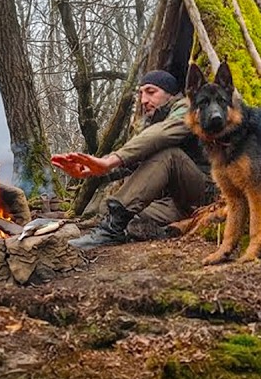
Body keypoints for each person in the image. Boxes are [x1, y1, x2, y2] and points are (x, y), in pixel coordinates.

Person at [51, 69, 212, 249]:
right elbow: (133, 161)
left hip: (205, 192)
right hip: (177, 204)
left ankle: (111, 233)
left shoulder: (187, 107)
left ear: (170, 94)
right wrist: (95, 170)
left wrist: (111, 160)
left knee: (168, 156)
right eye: (141, 93)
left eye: (151, 92)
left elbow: (161, 134)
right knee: (113, 211)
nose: (144, 100)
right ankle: (161, 231)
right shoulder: (151, 122)